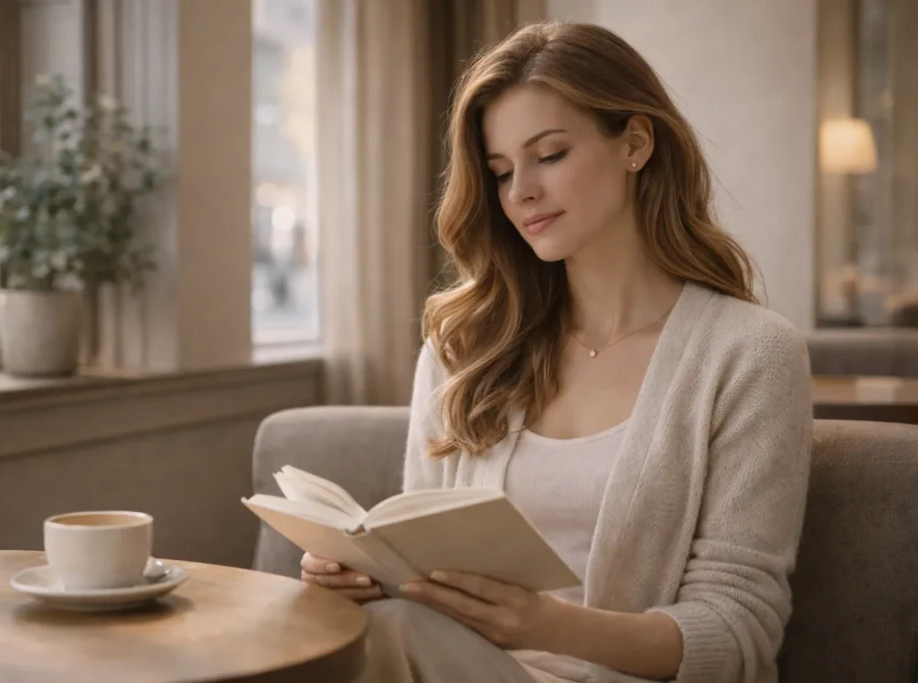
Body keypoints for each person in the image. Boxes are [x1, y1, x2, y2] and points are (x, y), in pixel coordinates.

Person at [301, 20, 812, 683]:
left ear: (634, 143)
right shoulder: (466, 346)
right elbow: (421, 580)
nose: (521, 193)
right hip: (450, 665)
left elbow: (739, 632)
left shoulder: (751, 355)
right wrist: (367, 577)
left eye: (549, 155)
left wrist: (547, 625)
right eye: (501, 171)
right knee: (374, 625)